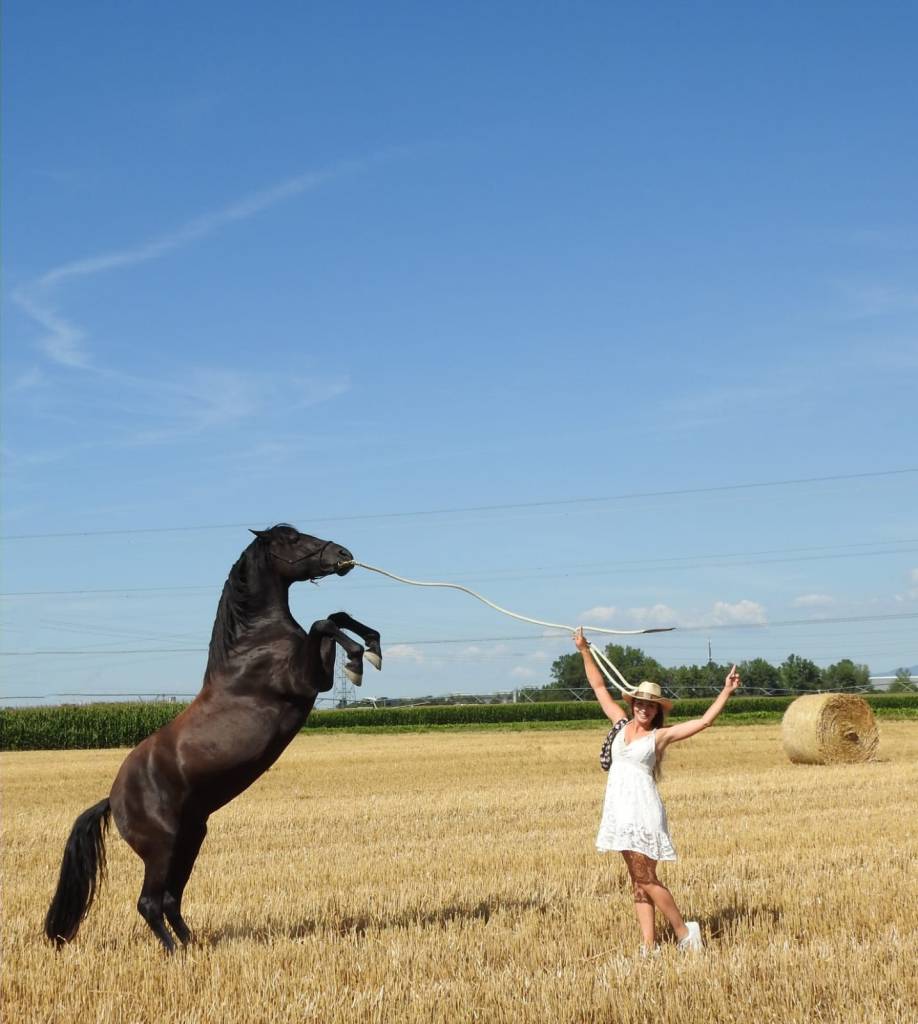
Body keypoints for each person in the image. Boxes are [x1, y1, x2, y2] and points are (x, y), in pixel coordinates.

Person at [573, 627, 741, 955]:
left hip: (642, 811)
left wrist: (726, 691)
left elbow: (703, 722)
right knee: (638, 882)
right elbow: (598, 687)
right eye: (640, 703)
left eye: (651, 706)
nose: (644, 709)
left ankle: (685, 933)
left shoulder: (658, 737)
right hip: (619, 811)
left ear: (657, 711)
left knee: (646, 877)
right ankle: (649, 946)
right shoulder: (619, 725)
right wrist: (583, 650)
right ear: (633, 704)